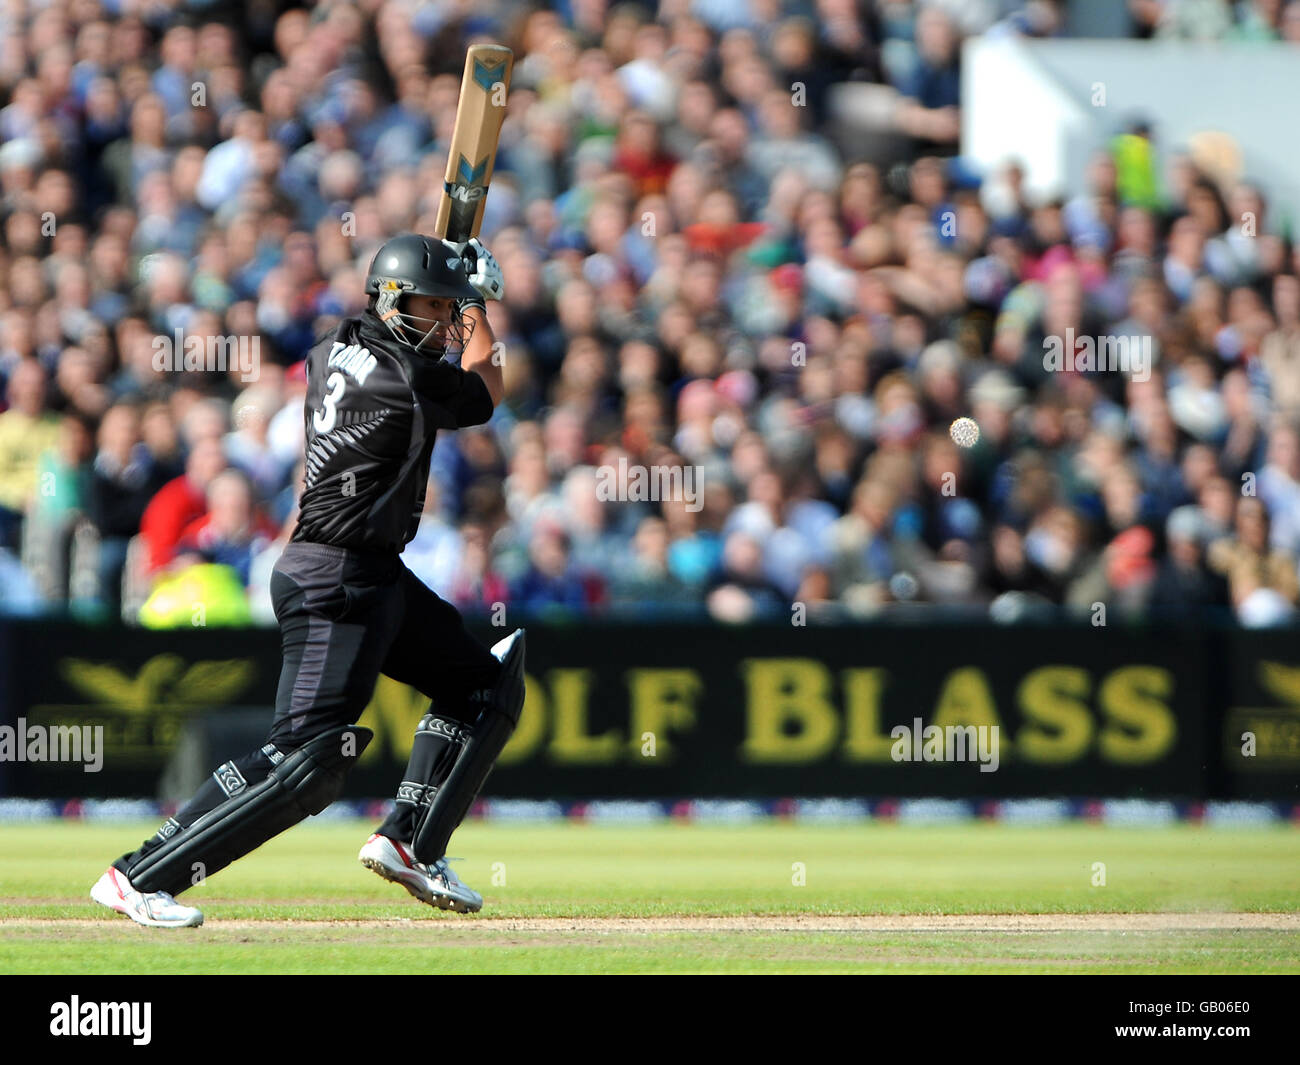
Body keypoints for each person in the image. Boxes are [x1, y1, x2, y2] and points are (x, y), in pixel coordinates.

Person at [91, 234, 527, 927]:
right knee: (307, 760)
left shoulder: (332, 347)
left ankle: (410, 842)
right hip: (335, 578)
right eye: (430, 308)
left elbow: (413, 337)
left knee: (484, 685)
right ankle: (138, 872)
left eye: (446, 310)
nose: (442, 324)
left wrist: (444, 281)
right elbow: (492, 387)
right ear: (387, 302)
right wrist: (477, 300)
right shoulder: (409, 379)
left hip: (371, 571)